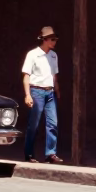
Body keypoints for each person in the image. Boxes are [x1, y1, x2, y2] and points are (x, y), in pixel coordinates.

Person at [22, 26, 62, 164]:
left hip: (49, 92)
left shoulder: (53, 55)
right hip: (36, 91)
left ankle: (50, 153)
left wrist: (57, 90)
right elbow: (26, 76)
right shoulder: (33, 54)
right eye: (52, 39)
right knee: (34, 124)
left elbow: (54, 76)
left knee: (53, 123)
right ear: (44, 40)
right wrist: (28, 95)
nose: (55, 42)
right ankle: (29, 154)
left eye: (56, 39)